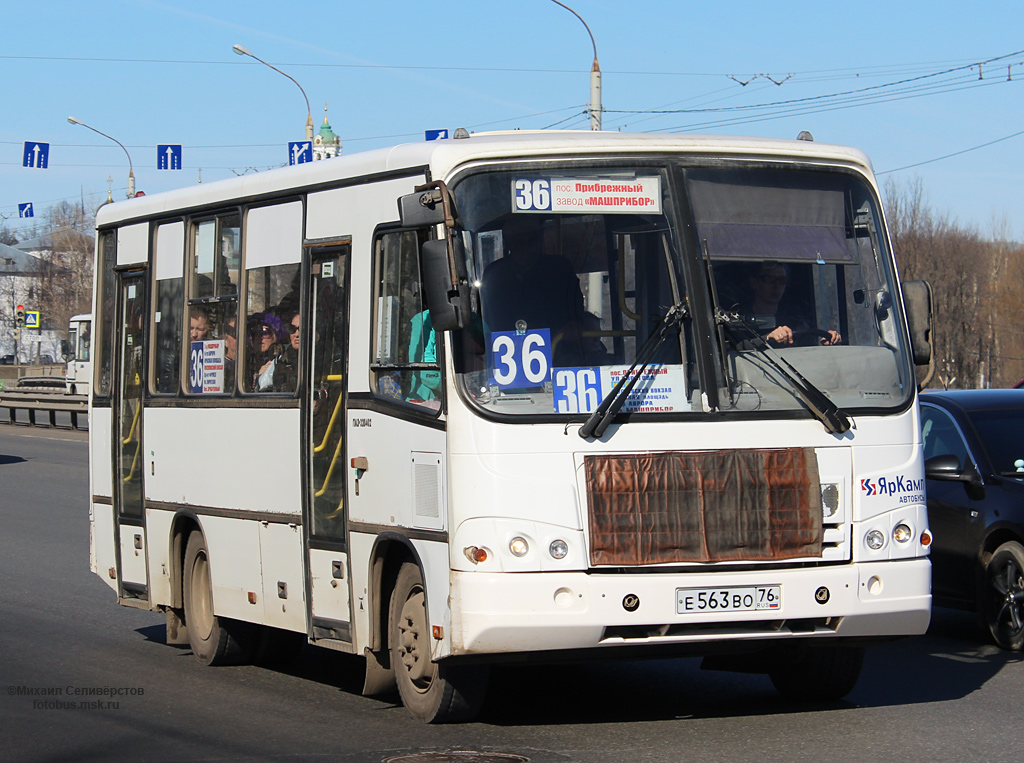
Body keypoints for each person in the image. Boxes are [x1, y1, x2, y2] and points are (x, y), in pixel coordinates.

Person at [479, 215, 585, 339]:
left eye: (532, 240)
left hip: (557, 344)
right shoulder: (495, 274)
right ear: (508, 243)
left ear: (540, 239)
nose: (526, 247)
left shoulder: (559, 268)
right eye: (519, 242)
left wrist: (572, 326)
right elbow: (488, 316)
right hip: (506, 344)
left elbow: (575, 307)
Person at [742, 261, 840, 346]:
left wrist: (828, 339)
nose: (777, 286)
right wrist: (767, 338)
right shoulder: (740, 321)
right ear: (754, 283)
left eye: (782, 280)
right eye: (769, 279)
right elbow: (735, 348)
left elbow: (807, 348)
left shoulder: (795, 321)